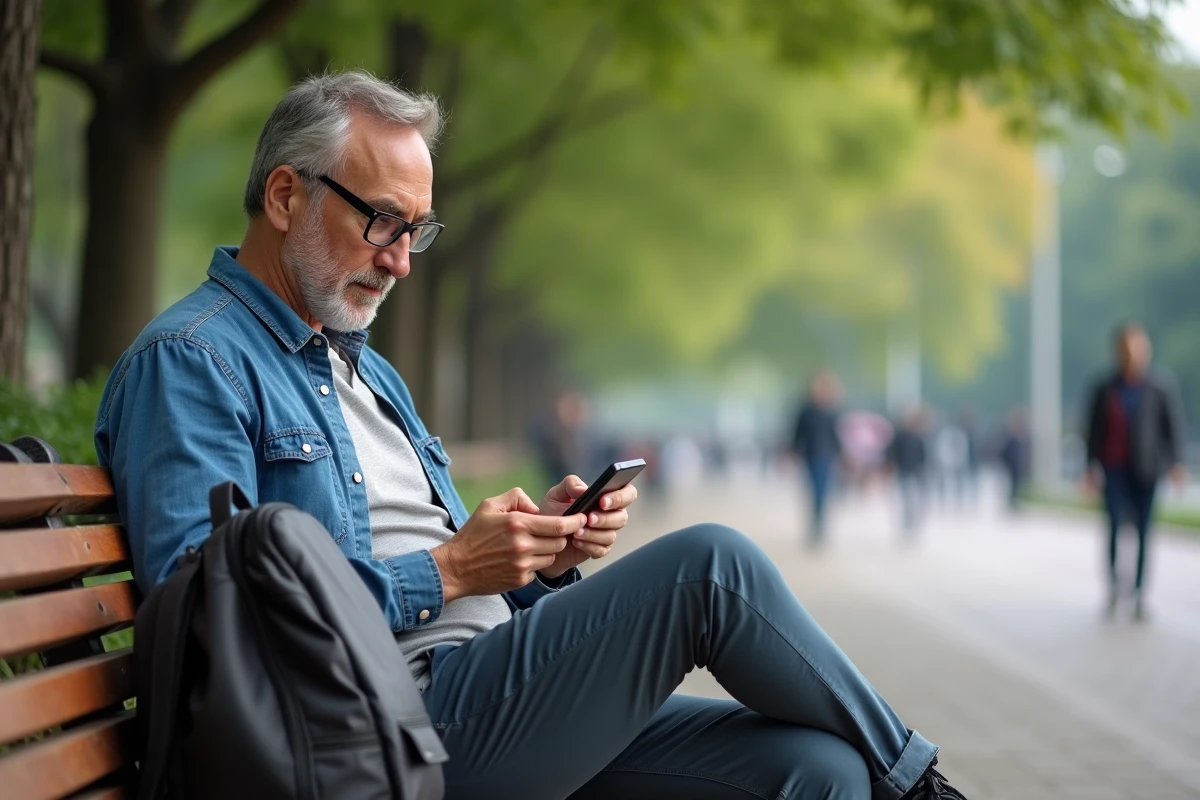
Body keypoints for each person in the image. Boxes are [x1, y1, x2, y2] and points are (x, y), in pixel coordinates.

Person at [95, 72, 967, 799]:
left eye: (417, 232)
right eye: (383, 222)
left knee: (818, 773)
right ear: (286, 194)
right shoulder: (193, 362)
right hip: (371, 731)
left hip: (482, 690)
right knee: (710, 569)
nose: (401, 259)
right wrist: (448, 571)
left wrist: (540, 562)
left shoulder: (364, 370)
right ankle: (930, 788)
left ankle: (897, 776)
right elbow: (208, 618)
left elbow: (425, 564)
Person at [1083, 323, 1187, 621]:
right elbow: (1093, 430)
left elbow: (1172, 426)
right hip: (1113, 468)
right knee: (1114, 526)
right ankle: (1115, 588)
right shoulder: (1105, 387)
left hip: (1147, 469)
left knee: (1144, 530)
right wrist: (1090, 468)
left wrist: (1176, 463)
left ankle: (1140, 594)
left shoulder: (1159, 386)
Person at [790, 370, 844, 545]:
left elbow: (837, 435)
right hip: (811, 456)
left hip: (827, 456)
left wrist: (842, 455)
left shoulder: (832, 412)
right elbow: (797, 434)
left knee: (823, 491)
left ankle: (819, 525)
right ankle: (815, 525)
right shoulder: (806, 411)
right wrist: (793, 452)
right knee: (814, 491)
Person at [887, 408, 928, 537]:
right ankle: (907, 524)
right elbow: (893, 454)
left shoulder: (919, 437)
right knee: (908, 500)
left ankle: (913, 524)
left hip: (916, 474)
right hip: (904, 472)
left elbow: (923, 457)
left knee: (916, 501)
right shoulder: (900, 436)